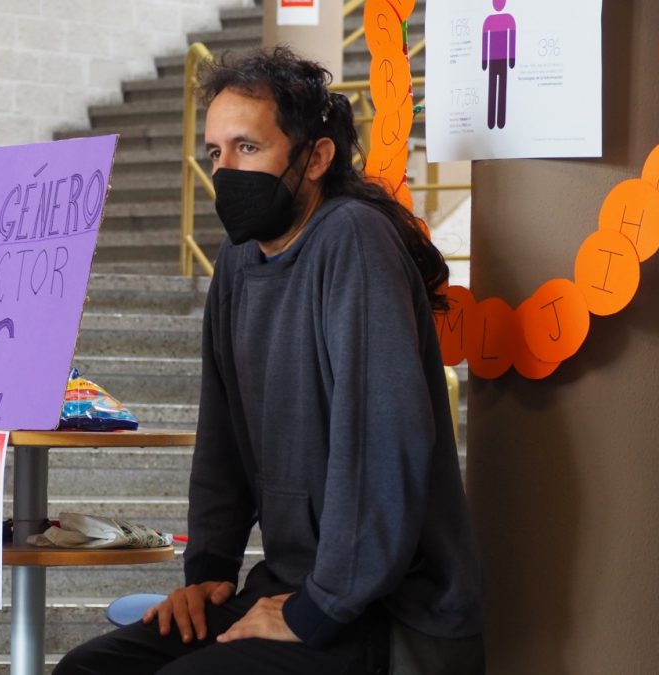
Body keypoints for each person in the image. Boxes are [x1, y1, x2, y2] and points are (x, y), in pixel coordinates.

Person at [54, 48, 485, 675]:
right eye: (214, 152)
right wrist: (209, 573)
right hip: (288, 590)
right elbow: (222, 437)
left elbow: (382, 448)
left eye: (247, 148)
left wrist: (316, 609)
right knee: (86, 671)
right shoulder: (237, 260)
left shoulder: (353, 241)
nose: (224, 169)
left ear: (315, 158)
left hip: (378, 611)